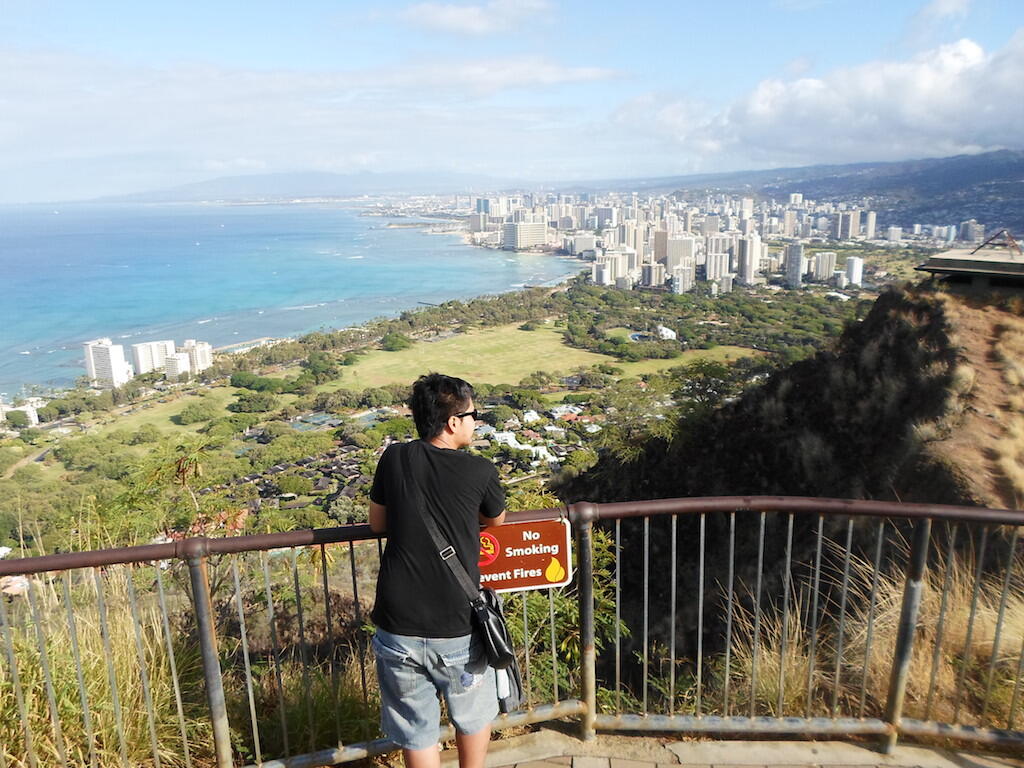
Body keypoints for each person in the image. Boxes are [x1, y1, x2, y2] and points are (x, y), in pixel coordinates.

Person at [368, 373, 505, 768]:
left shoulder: (394, 458)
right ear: (453, 422)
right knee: (473, 715)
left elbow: (378, 524)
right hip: (455, 619)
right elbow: (495, 521)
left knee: (417, 727)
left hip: (399, 619)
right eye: (473, 414)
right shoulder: (479, 471)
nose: (476, 422)